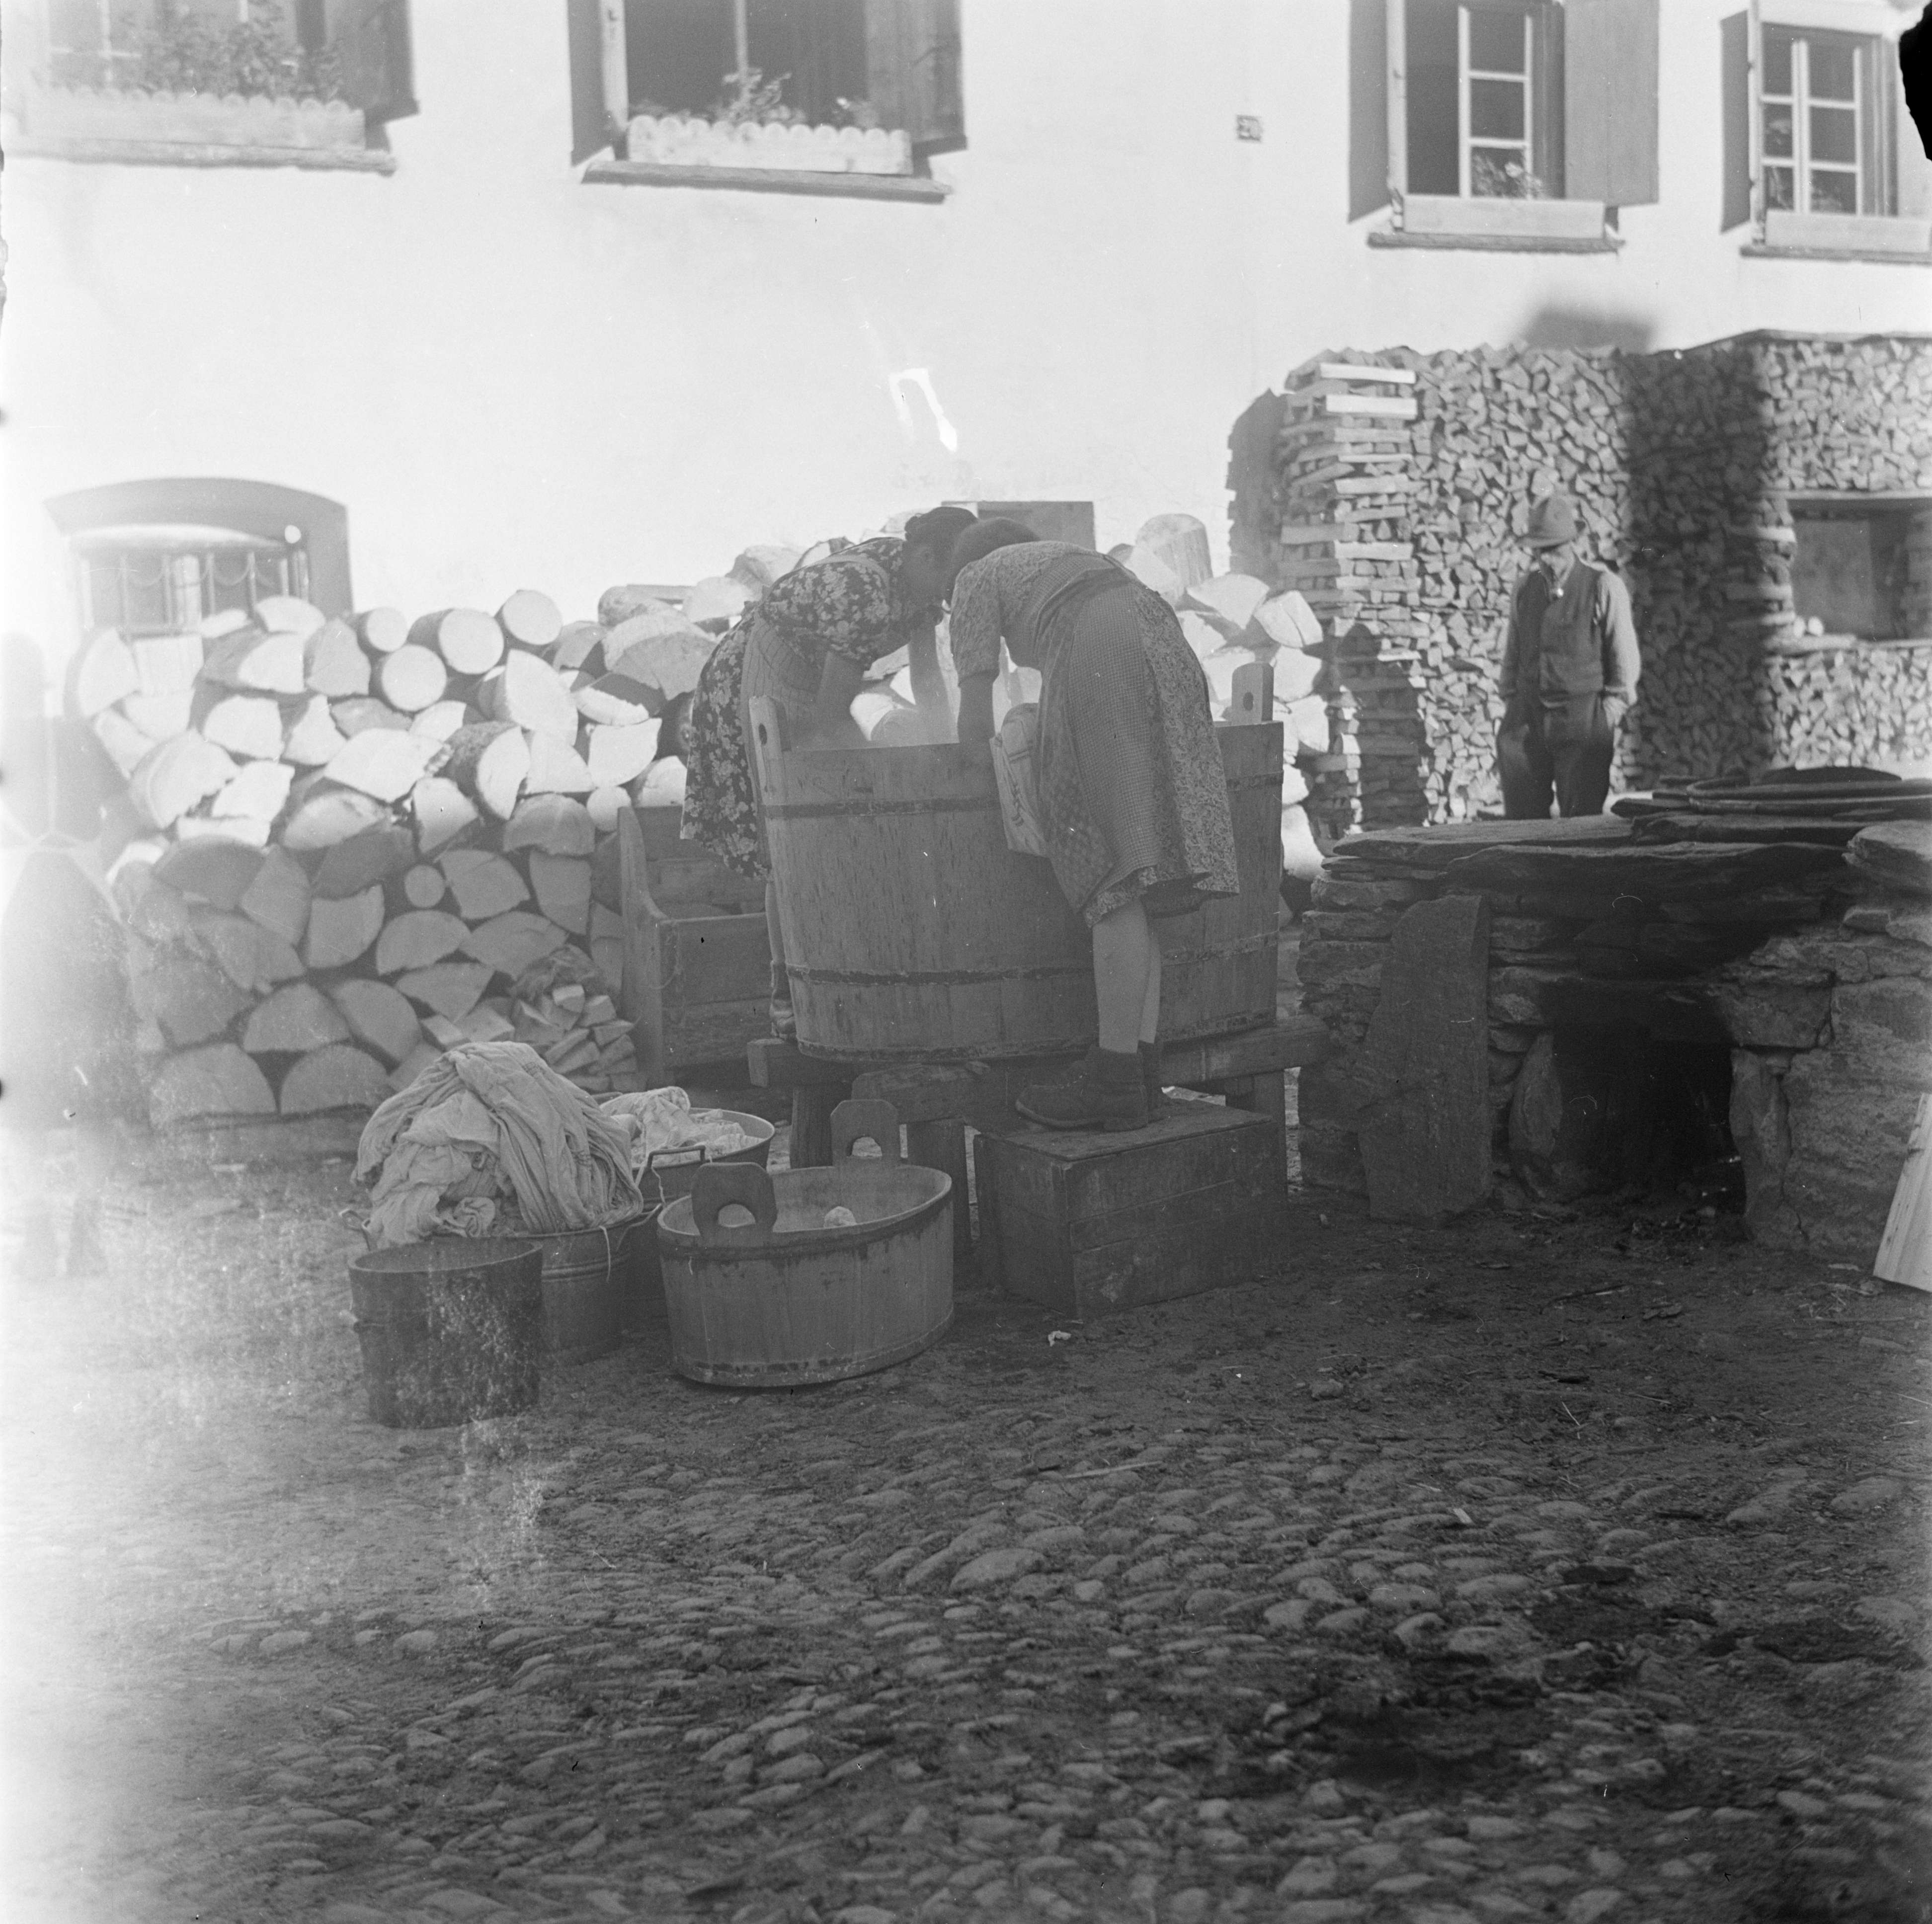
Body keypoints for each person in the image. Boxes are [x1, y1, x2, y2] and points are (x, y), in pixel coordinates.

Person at [944, 521, 1239, 1132]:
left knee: (1109, 875)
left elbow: (973, 716)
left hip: (1101, 647)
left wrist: (979, 778)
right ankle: (1139, 1075)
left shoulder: (976, 574)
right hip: (1162, 640)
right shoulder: (1073, 561)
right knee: (1141, 872)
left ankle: (1112, 1081)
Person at [680, 506, 978, 1035]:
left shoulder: (919, 584)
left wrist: (946, 756)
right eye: (949, 579)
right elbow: (831, 718)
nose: (950, 595)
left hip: (812, 679)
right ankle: (789, 997)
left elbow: (928, 677)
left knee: (830, 830)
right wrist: (880, 781)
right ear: (926, 556)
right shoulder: (864, 591)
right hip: (757, 675)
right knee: (792, 837)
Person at [1496, 492, 1642, 819]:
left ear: (1573, 544)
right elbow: (1513, 654)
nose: (1548, 560)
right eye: (1541, 552)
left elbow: (1624, 666)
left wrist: (1605, 718)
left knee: (1580, 823)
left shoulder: (1604, 587)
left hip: (1582, 721)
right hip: (1529, 719)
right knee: (1521, 822)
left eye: (1555, 550)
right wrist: (1512, 702)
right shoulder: (1525, 589)